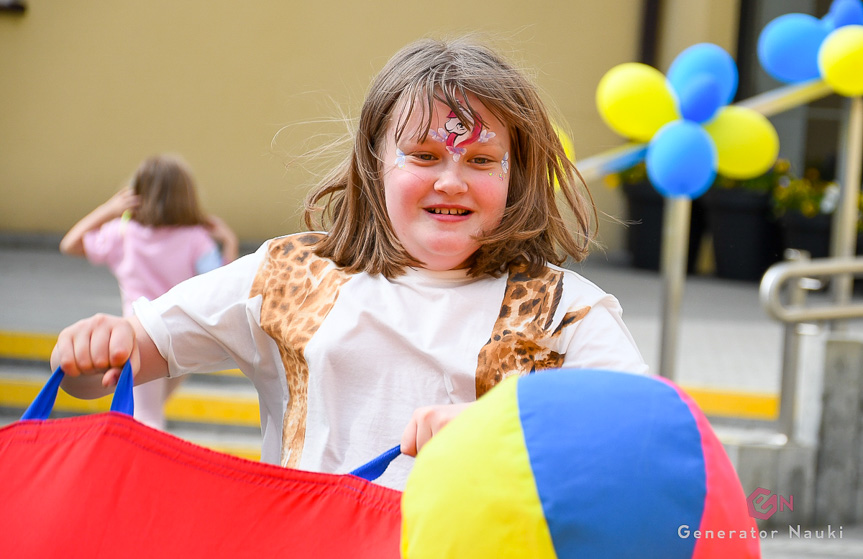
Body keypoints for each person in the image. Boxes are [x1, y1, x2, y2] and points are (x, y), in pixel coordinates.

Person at [51, 38, 648, 490]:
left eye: (482, 160)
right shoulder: (291, 275)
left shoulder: (565, 308)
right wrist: (97, 346)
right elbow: (114, 366)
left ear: (514, 175)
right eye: (424, 153)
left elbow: (644, 429)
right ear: (374, 160)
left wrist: (507, 430)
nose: (451, 180)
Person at [58, 154, 239, 430]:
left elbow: (70, 243)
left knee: (146, 417)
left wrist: (109, 209)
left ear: (138, 193)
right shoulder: (195, 238)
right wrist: (229, 242)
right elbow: (221, 283)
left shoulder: (123, 234)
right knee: (150, 411)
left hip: (140, 337)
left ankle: (140, 469)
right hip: (184, 334)